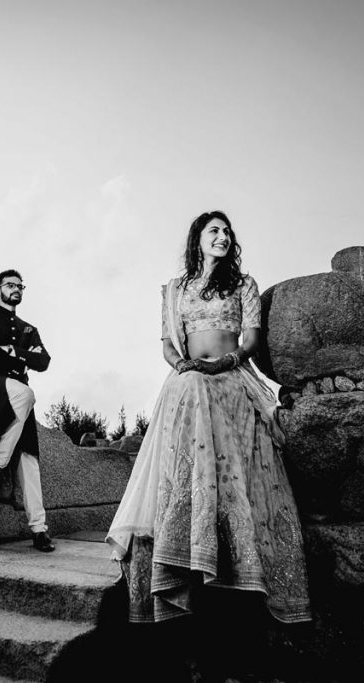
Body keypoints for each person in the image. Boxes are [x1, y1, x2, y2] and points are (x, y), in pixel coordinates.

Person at [105, 211, 311, 668]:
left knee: (208, 410)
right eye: (213, 230)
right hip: (190, 380)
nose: (223, 236)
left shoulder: (244, 285)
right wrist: (181, 365)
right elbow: (166, 343)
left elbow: (252, 336)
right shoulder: (176, 289)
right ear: (197, 239)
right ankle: (184, 541)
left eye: (227, 231)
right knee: (186, 388)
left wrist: (228, 360)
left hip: (232, 379)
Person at [0, 269, 55, 552]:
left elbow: (43, 361)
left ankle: (39, 529)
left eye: (20, 286)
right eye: (10, 285)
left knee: (29, 458)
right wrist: (20, 357)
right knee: (26, 393)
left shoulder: (28, 329)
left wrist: (13, 352)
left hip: (19, 397)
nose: (16, 289)